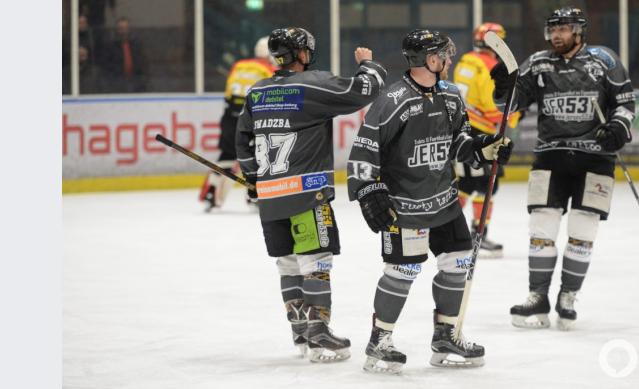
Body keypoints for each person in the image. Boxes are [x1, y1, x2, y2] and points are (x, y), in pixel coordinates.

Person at [348, 29, 513, 374]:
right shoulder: (393, 100)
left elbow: (459, 141)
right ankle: (380, 341)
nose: (449, 59)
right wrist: (367, 190)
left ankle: (446, 336)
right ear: (429, 59)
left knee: (458, 262)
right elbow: (365, 149)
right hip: (405, 207)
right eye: (444, 54)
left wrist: (483, 148)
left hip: (445, 202)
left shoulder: (450, 95)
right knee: (402, 271)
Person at [235, 27, 387, 363]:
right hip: (306, 193)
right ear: (301, 54)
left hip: (270, 197)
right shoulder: (312, 84)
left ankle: (300, 330)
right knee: (316, 261)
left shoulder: (257, 91)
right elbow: (367, 89)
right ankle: (319, 330)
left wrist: (253, 178)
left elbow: (243, 140)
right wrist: (369, 64)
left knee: (288, 263)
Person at [492, 7, 635, 331]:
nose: (556, 35)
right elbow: (509, 106)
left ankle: (568, 296)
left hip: (595, 158)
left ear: (578, 31)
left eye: (564, 29)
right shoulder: (538, 62)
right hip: (550, 156)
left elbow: (625, 102)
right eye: (553, 29)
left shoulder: (604, 60)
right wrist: (502, 87)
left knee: (583, 230)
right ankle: (537, 296)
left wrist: (618, 127)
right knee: (541, 228)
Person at [452, 22, 522, 258]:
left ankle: (447, 227)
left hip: (464, 130)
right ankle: (476, 234)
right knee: (487, 186)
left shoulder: (465, 60)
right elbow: (492, 107)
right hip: (482, 135)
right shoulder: (489, 66)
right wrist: (515, 115)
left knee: (465, 184)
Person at [200, 37, 278, 212]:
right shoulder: (269, 69)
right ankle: (254, 197)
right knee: (257, 155)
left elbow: (229, 91)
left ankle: (211, 194)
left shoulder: (239, 65)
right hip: (251, 116)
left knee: (227, 155)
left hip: (230, 115)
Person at [103, 17, 149, 92]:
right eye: (121, 28)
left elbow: (143, 62)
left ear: (129, 29)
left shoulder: (137, 45)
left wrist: (143, 79)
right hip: (117, 83)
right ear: (117, 30)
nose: (123, 31)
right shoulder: (110, 46)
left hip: (136, 83)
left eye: (126, 28)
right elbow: (107, 66)